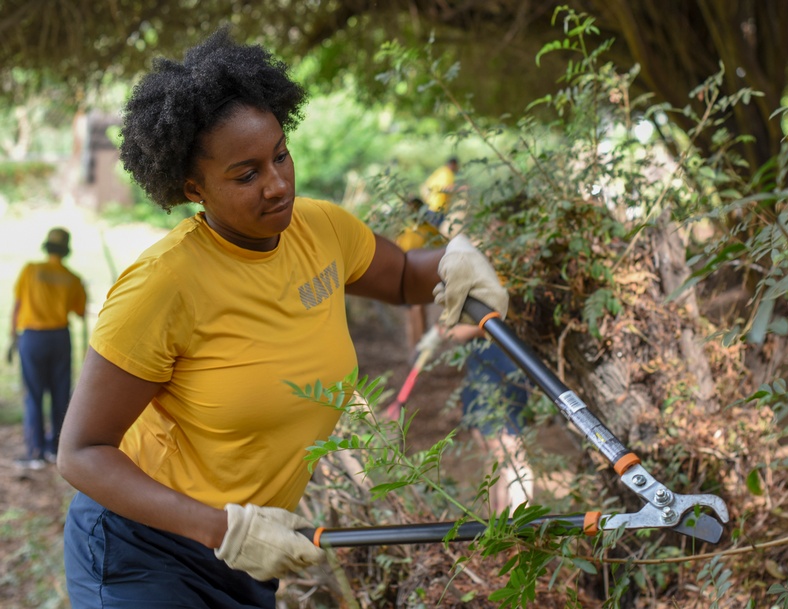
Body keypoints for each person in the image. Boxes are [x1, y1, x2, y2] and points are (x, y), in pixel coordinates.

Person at [56, 28, 508, 609]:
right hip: (143, 552)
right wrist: (219, 528)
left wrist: (452, 262)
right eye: (245, 176)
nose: (277, 185)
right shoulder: (163, 286)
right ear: (192, 188)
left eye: (281, 155)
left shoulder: (320, 229)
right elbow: (82, 452)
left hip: (246, 556)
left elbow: (399, 277)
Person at [10, 227, 87, 470]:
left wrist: (12, 336)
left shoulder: (31, 270)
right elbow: (81, 312)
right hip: (60, 338)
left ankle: (34, 453)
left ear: (48, 246)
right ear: (66, 249)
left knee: (33, 395)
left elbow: (18, 305)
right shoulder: (73, 278)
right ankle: (55, 449)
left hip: (32, 338)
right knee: (60, 393)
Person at [445, 323, 535, 513]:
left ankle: (519, 520)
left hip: (502, 372)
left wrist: (455, 330)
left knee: (509, 451)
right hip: (479, 374)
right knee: (489, 452)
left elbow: (494, 322)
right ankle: (495, 520)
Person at [394, 197, 445, 351]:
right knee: (414, 312)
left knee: (416, 310)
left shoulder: (424, 231)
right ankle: (416, 349)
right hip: (408, 278)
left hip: (417, 279)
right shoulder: (408, 232)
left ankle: (418, 349)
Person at [419, 157, 462, 234]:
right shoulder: (447, 173)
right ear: (453, 164)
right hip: (437, 209)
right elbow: (446, 188)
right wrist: (461, 188)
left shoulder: (439, 172)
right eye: (457, 166)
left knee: (432, 232)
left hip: (432, 207)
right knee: (434, 233)